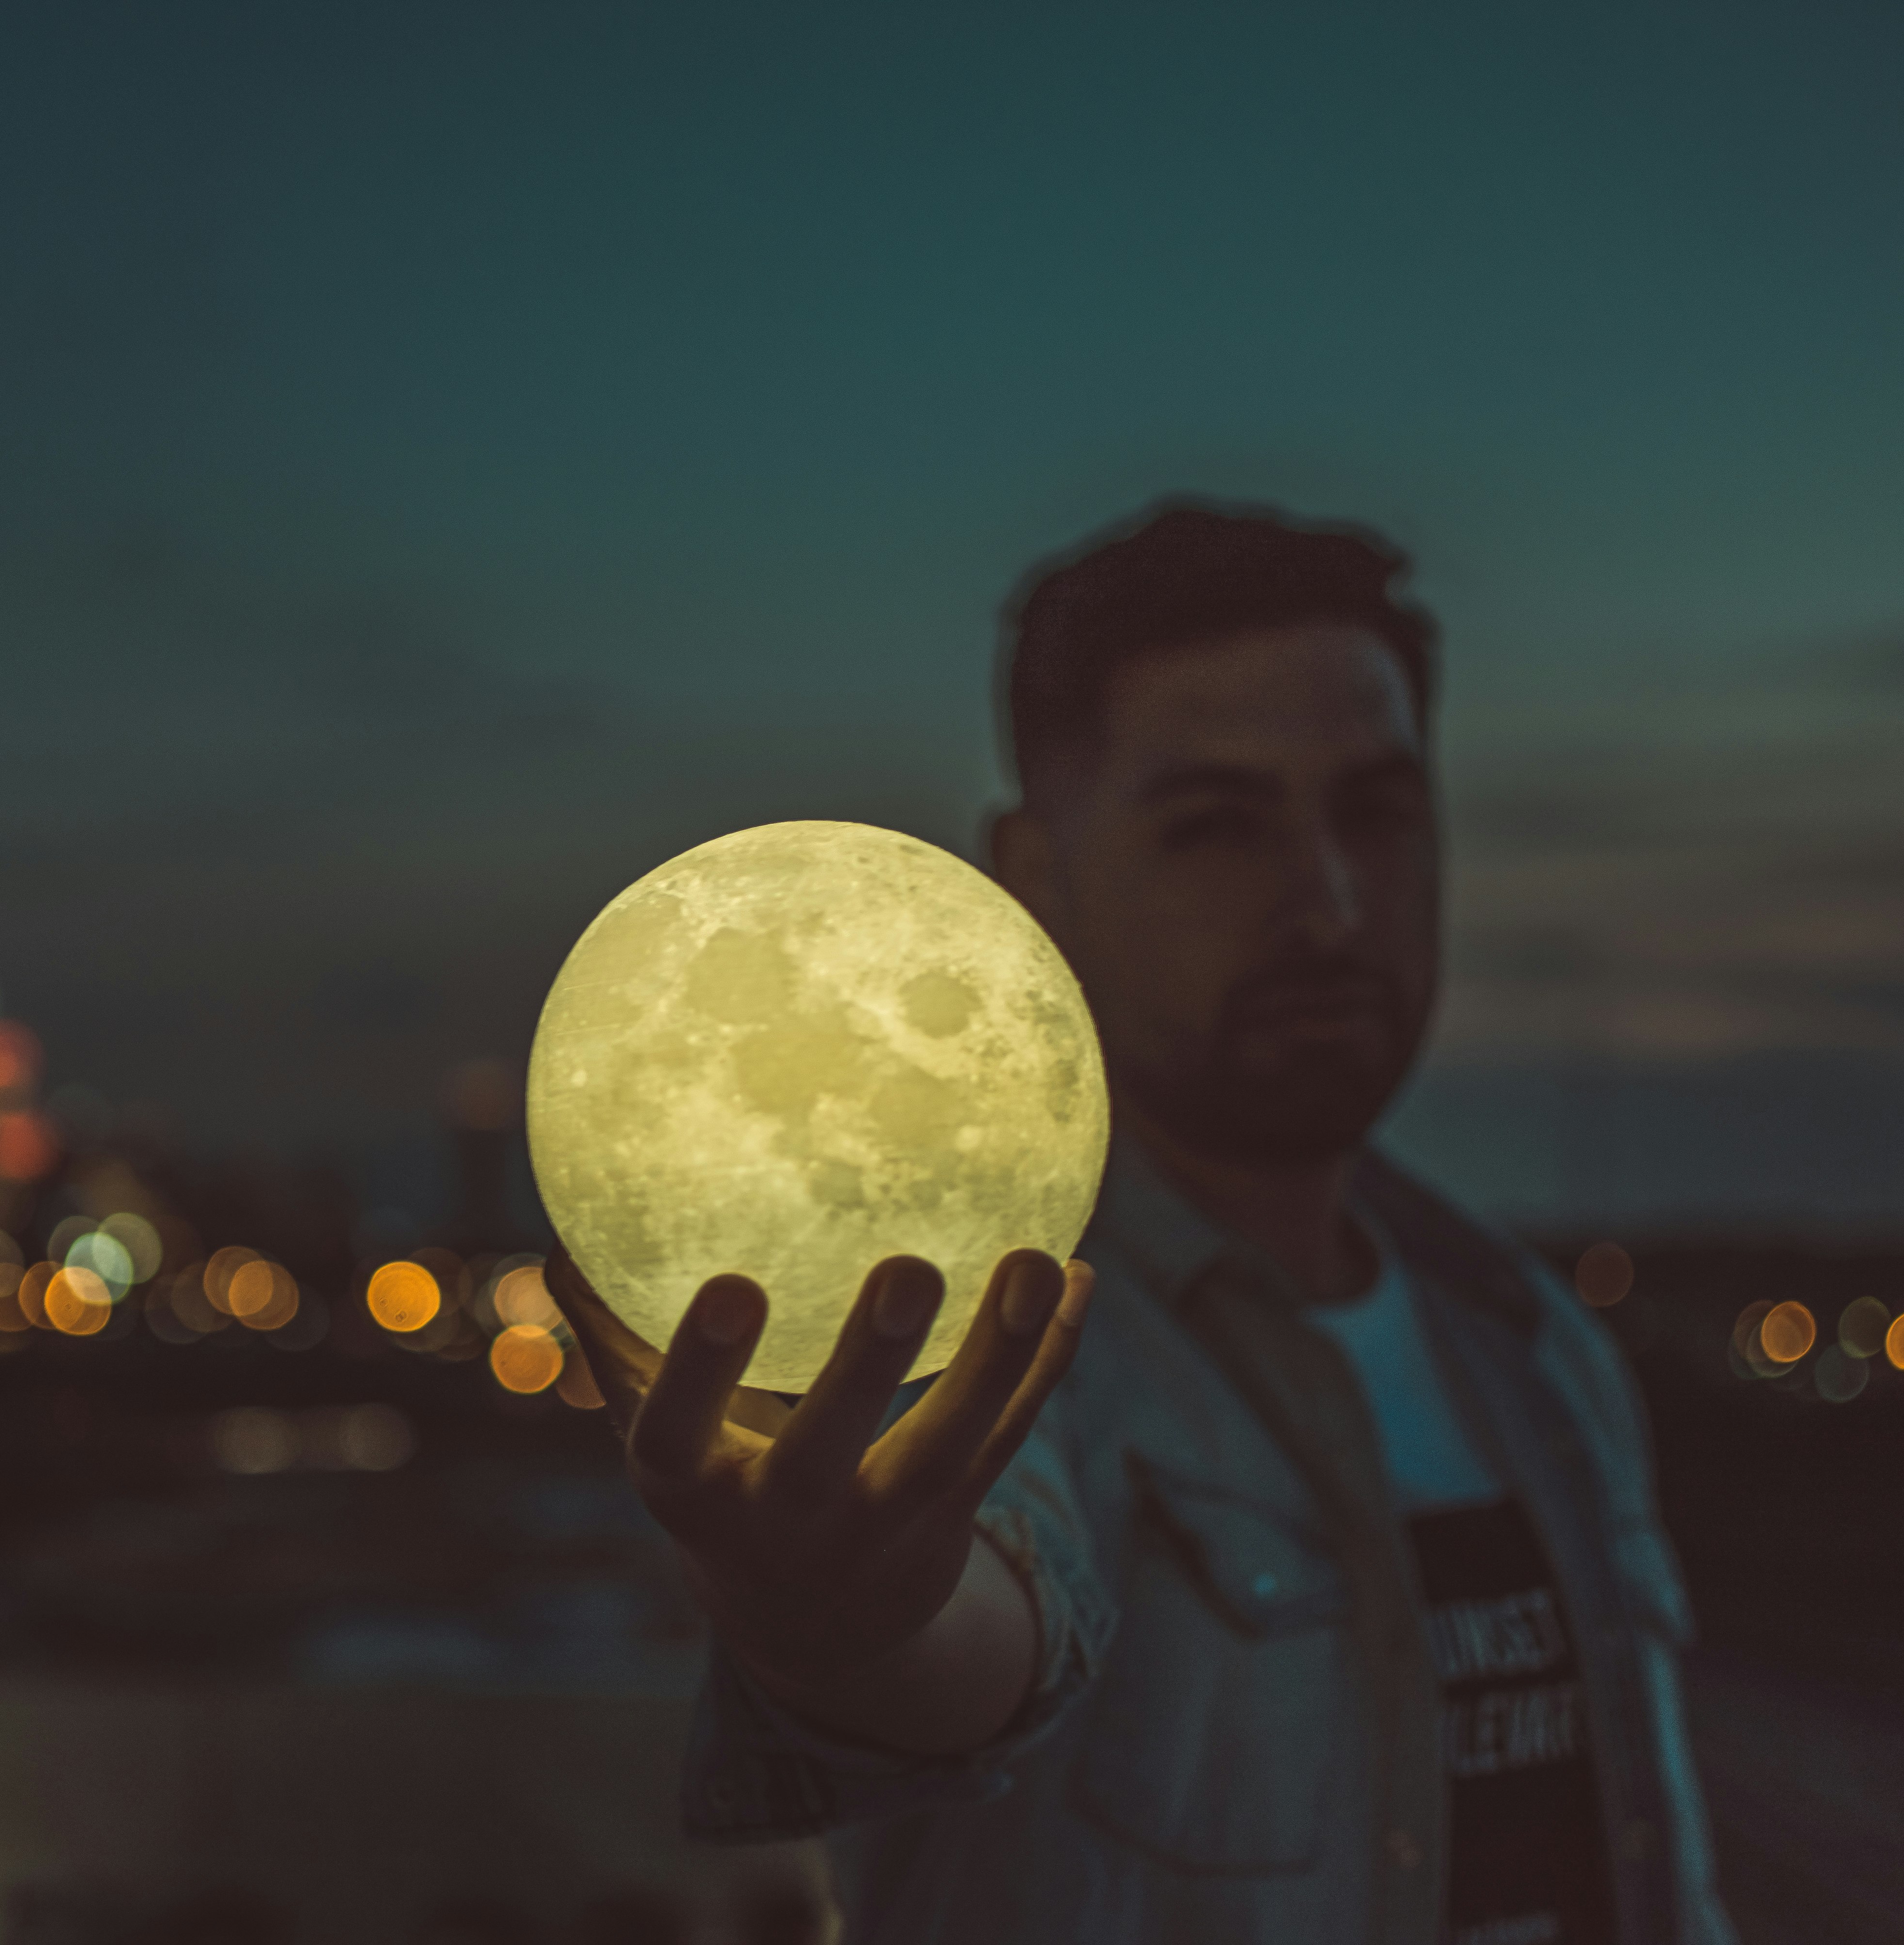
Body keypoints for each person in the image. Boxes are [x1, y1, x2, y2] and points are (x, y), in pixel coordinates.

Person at [553, 501, 1732, 1945]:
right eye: (1213, 829)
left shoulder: (1537, 1349)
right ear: (1034, 878)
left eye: (1374, 809)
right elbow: (973, 1617)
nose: (1328, 900)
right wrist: (848, 1630)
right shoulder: (1002, 1337)